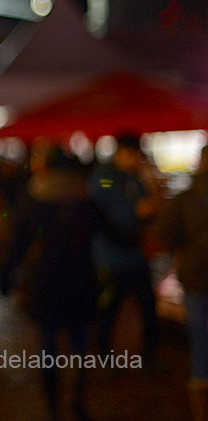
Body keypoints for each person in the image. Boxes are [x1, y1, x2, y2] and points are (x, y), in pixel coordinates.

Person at [6, 148, 100, 421]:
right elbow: (109, 232)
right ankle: (78, 402)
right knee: (80, 346)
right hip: (80, 279)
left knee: (48, 348)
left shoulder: (32, 199)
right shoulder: (84, 200)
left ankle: (53, 409)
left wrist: (6, 275)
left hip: (44, 282)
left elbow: (18, 242)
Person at [87, 134, 161, 363]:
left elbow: (152, 207)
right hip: (111, 258)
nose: (136, 160)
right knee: (109, 309)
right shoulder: (104, 178)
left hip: (135, 256)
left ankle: (150, 356)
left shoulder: (135, 177)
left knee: (148, 307)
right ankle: (104, 356)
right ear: (121, 152)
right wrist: (135, 209)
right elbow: (127, 210)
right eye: (133, 155)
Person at [157, 145, 208, 421]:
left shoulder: (186, 197)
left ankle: (201, 407)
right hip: (196, 277)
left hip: (196, 278)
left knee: (200, 344)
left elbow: (166, 234)